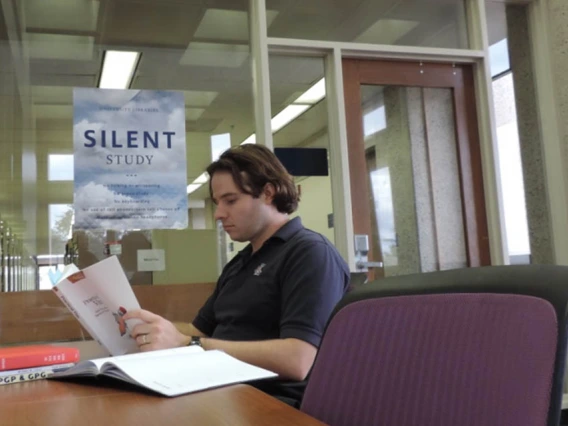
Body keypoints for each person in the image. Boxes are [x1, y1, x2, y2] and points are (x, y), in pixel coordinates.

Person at [123, 144, 350, 406]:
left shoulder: (309, 253)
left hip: (269, 403)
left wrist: (190, 344)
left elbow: (297, 359)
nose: (219, 214)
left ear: (268, 193)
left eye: (230, 201)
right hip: (219, 389)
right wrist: (150, 329)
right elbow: (198, 330)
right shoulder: (241, 262)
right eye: (217, 203)